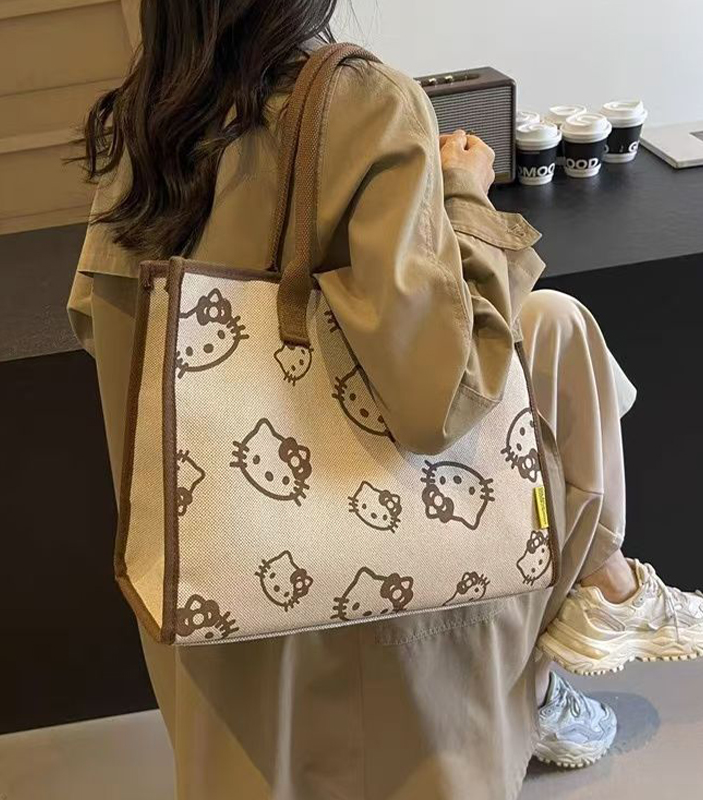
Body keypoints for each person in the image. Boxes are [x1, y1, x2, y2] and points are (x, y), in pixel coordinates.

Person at [66, 2, 703, 797]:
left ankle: (584, 617)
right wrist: (464, 195)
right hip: (371, 595)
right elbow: (439, 401)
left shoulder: (138, 125)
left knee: (553, 326)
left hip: (209, 575)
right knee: (549, 345)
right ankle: (593, 601)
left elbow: (106, 336)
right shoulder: (359, 101)